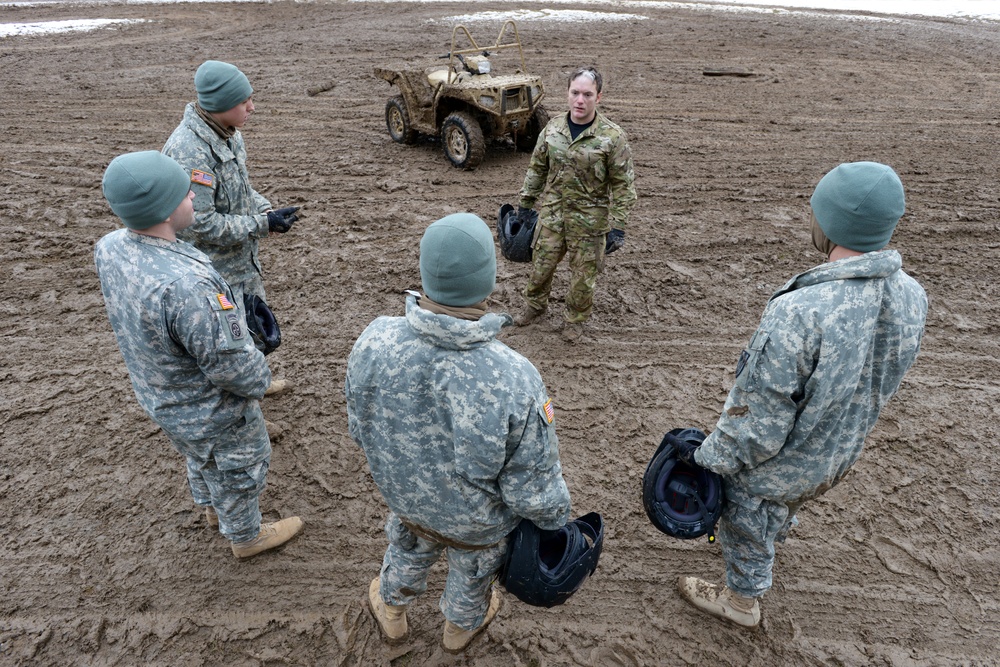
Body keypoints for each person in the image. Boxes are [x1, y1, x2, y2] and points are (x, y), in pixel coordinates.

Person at [676, 162, 928, 628]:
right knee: (786, 502)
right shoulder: (913, 295)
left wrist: (711, 458)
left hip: (784, 460)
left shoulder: (801, 310)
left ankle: (741, 600)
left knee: (746, 508)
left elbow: (758, 425)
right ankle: (778, 525)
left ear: (831, 222)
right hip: (840, 449)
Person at [345, 213, 572, 653]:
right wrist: (554, 522)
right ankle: (458, 632)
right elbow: (533, 484)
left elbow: (360, 429)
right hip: (477, 524)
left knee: (408, 548)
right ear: (487, 281)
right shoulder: (514, 376)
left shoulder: (374, 340)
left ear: (427, 274)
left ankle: (392, 613)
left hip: (405, 498)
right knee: (473, 570)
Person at [94, 150, 304, 560]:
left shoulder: (111, 246)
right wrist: (259, 372)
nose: (194, 196)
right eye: (185, 193)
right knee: (241, 467)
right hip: (211, 408)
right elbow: (232, 369)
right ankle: (246, 537)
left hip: (163, 395)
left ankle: (211, 510)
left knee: (199, 455)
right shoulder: (186, 285)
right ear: (164, 210)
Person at [162, 59, 298, 396]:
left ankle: (254, 385)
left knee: (252, 333)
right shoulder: (190, 151)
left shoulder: (227, 135)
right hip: (212, 272)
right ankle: (243, 410)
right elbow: (200, 222)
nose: (252, 107)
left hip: (239, 264)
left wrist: (263, 207)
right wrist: (261, 225)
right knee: (226, 348)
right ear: (221, 105)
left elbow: (238, 187)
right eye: (244, 101)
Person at [513, 66, 637, 342]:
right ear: (568, 94)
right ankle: (534, 306)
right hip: (553, 217)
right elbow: (537, 169)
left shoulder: (612, 137)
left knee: (583, 278)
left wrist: (618, 226)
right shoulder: (552, 129)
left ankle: (574, 320)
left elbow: (623, 185)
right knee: (541, 267)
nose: (580, 100)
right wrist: (525, 204)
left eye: (587, 94)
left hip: (590, 222)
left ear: (598, 97)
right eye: (575, 93)